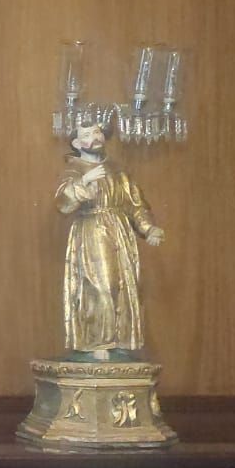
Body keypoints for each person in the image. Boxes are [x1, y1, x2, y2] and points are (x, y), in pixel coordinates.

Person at [57, 119, 164, 358]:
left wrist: (148, 229)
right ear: (77, 142)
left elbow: (135, 204)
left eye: (97, 132)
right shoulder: (74, 169)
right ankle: (98, 341)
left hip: (119, 230)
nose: (93, 137)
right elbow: (63, 203)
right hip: (92, 229)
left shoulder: (118, 172)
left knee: (122, 285)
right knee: (100, 284)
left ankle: (121, 340)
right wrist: (84, 181)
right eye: (87, 134)